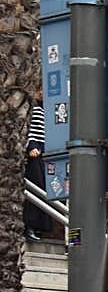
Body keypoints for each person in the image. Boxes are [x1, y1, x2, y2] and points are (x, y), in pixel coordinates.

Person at [24, 103, 51, 242]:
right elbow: (27, 128)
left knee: (43, 188)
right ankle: (30, 226)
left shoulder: (47, 108)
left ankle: (38, 227)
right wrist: (31, 146)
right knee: (36, 186)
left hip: (43, 153)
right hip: (33, 153)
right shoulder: (33, 107)